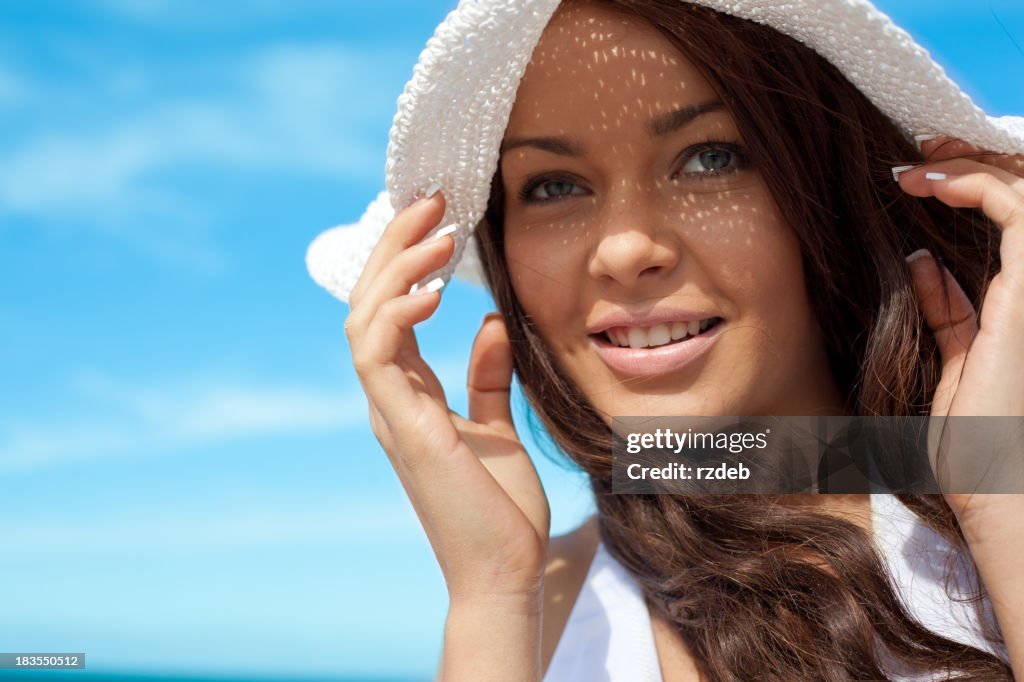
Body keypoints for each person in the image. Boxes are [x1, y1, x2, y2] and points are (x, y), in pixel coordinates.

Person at [309, 0, 1024, 679]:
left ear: (824, 186)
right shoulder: (530, 599)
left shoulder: (995, 502)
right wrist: (492, 595)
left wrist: (998, 488)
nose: (623, 249)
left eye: (709, 158)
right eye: (554, 186)